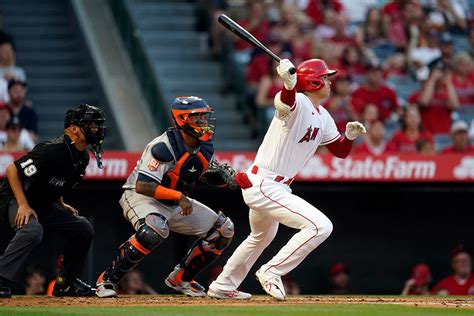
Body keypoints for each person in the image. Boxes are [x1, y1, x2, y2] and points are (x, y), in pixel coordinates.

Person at [208, 58, 366, 300]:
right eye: (324, 77)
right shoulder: (298, 101)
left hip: (276, 186)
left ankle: (223, 285)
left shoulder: (322, 115)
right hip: (265, 183)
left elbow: (340, 151)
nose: (329, 81)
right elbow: (283, 104)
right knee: (320, 226)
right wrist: (289, 85)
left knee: (260, 237)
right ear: (312, 82)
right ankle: (271, 271)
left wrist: (349, 136)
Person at [95, 96, 237, 298]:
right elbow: (144, 185)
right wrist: (179, 196)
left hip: (174, 201)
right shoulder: (163, 146)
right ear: (182, 119)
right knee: (153, 230)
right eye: (198, 118)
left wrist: (224, 180)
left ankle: (181, 279)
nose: (203, 122)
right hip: (140, 197)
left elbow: (203, 174)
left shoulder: (204, 147)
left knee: (223, 230)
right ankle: (107, 280)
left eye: (204, 117)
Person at [0, 104, 106, 298]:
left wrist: (61, 204)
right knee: (32, 230)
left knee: (82, 227)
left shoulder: (81, 157)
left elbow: (56, 182)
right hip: (16, 197)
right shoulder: (52, 150)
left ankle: (66, 282)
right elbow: (13, 170)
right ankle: (1, 279)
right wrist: (23, 205)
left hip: (42, 203)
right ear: (73, 129)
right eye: (90, 124)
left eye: (96, 125)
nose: (96, 129)